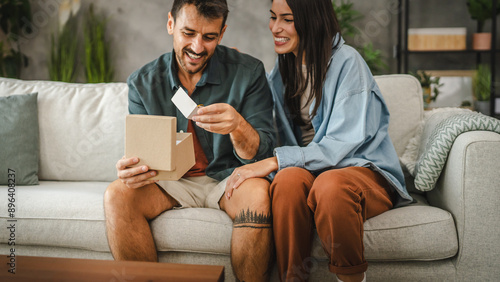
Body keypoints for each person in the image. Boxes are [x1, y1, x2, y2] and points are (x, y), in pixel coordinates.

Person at [224, 0, 413, 281]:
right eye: (273, 17)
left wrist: (273, 161)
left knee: (330, 184)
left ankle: (351, 278)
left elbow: (340, 146)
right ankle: (293, 278)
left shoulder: (348, 63)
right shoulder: (285, 66)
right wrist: (240, 68)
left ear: (311, 20)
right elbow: (268, 110)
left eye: (287, 19)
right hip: (314, 173)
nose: (275, 27)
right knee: (287, 182)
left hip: (362, 174)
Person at [103, 1, 275, 281]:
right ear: (170, 24)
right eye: (188, 33)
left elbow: (263, 152)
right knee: (117, 194)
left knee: (258, 194)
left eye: (209, 37)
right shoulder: (143, 82)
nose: (197, 47)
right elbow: (142, 155)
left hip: (230, 177)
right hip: (171, 180)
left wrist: (239, 126)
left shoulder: (249, 72)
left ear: (222, 33)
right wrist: (132, 169)